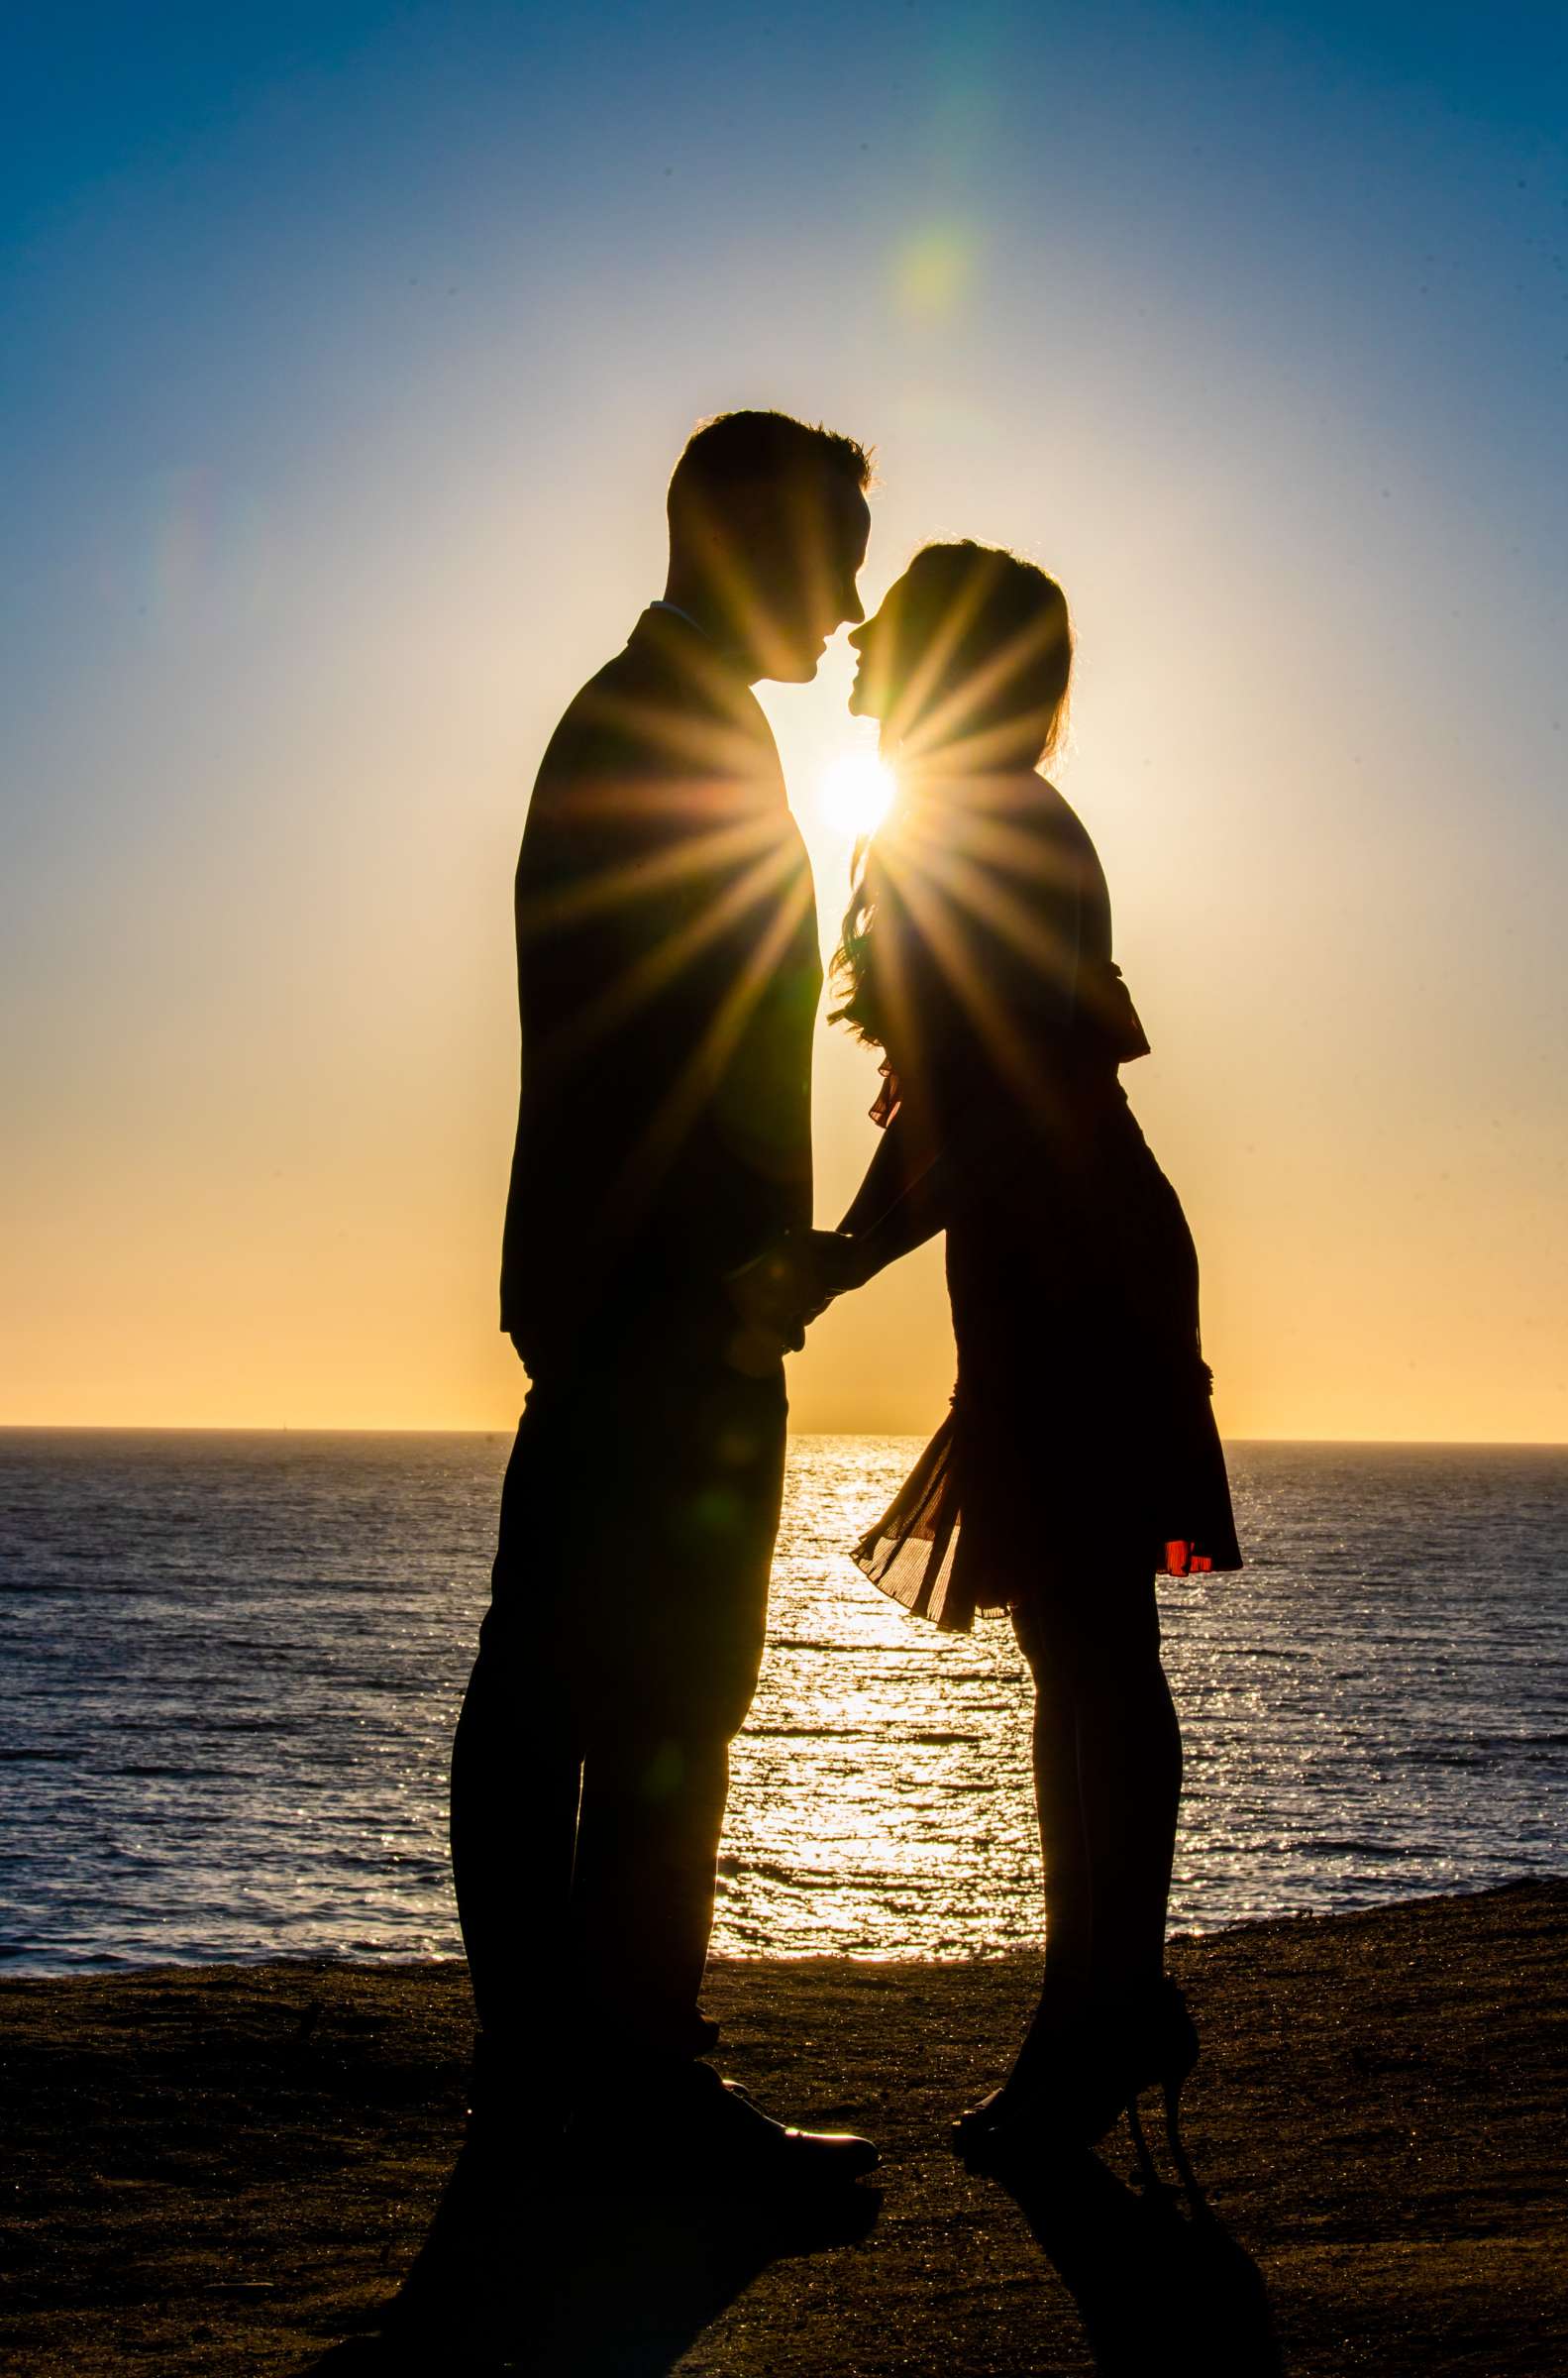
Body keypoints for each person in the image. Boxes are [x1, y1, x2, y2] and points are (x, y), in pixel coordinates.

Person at [451, 411, 878, 2184]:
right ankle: (622, 2081)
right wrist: (728, 1282)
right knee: (651, 1691)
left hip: (631, 1289)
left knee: (571, 1680)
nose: (852, 601)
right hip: (668, 1302)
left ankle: (561, 2071)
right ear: (743, 539)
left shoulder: (655, 716)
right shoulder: (664, 728)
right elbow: (667, 1043)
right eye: (837, 552)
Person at [808, 541, 1242, 2155]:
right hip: (1055, 1250)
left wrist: (845, 1257)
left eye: (889, 631)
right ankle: (1102, 2004)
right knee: (1082, 1644)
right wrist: (855, 1245)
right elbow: (955, 1096)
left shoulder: (972, 823)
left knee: (1088, 1643)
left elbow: (987, 1104)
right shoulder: (974, 817)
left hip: (1069, 1256)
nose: (854, 649)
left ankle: (1099, 2013)